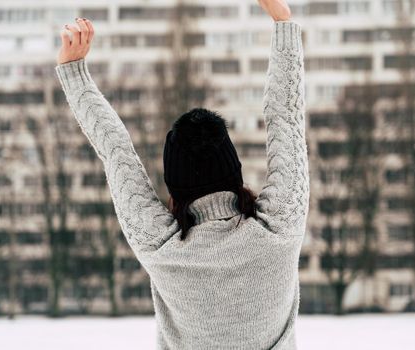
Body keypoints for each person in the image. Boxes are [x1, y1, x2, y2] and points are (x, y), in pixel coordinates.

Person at [55, 0, 309, 348]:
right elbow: (286, 118)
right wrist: (283, 23)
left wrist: (74, 73)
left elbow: (116, 154)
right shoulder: (280, 227)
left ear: (174, 185)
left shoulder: (162, 247)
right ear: (233, 169)